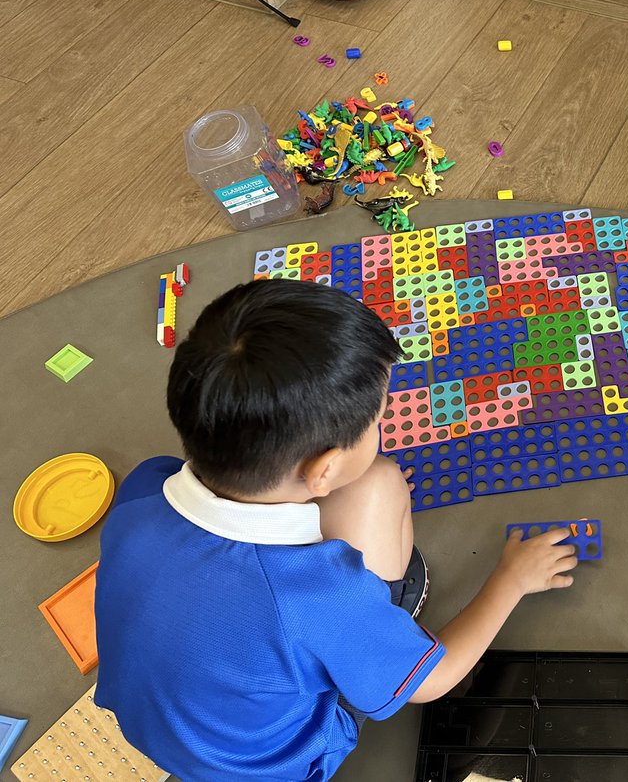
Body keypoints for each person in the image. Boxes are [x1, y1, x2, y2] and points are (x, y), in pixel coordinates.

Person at [93, 279, 577, 781]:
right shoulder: (318, 600)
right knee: (381, 484)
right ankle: (389, 622)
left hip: (176, 729)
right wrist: (512, 580)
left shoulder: (144, 487)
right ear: (323, 470)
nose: (383, 426)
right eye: (379, 420)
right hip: (276, 765)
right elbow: (435, 683)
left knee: (371, 486)